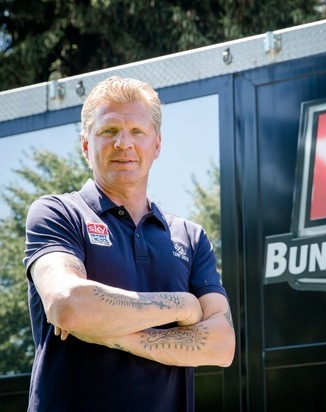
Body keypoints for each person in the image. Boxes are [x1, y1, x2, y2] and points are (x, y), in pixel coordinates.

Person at [23, 76, 235, 412]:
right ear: (86, 145)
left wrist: (112, 334)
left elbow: (221, 345)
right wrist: (182, 305)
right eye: (109, 131)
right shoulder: (58, 213)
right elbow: (68, 304)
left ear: (157, 145)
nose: (124, 143)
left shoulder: (190, 237)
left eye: (137, 131)